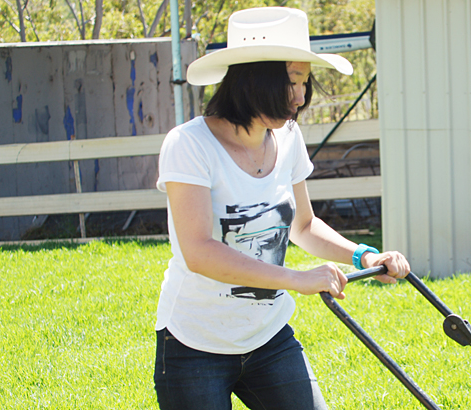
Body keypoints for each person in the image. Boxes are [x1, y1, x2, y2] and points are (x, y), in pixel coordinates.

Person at [153, 7, 410, 410]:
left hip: (267, 339)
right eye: (292, 82)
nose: (301, 97)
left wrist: (366, 255)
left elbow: (304, 226)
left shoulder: (288, 137)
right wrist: (295, 278)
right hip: (193, 344)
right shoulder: (189, 145)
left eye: (305, 83)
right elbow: (199, 251)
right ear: (254, 78)